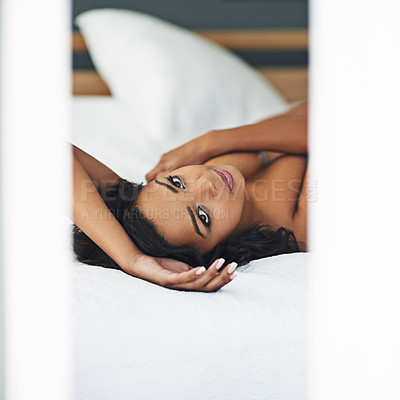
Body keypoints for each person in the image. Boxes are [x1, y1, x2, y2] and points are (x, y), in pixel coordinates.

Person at [73, 101, 308, 292]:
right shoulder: (301, 223)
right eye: (203, 216)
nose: (207, 183)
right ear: (217, 252)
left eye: (177, 183)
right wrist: (133, 261)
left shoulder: (217, 174)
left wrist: (209, 142)